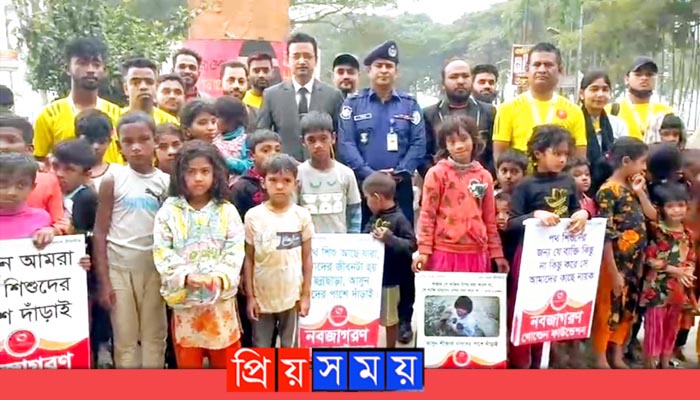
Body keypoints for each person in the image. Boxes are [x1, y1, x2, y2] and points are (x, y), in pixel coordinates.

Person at [337, 40, 426, 345]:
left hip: (399, 191)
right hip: (365, 192)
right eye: (378, 66)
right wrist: (371, 177)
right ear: (369, 71)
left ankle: (403, 318)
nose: (384, 70)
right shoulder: (353, 105)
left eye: (389, 66)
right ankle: (364, 313)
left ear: (396, 72)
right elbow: (346, 144)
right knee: (365, 247)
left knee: (402, 253)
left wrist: (399, 172)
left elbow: (418, 145)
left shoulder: (410, 105)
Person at [153, 140, 245, 368]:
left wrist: (219, 277)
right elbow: (162, 251)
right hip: (186, 302)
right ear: (180, 175)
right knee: (189, 365)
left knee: (227, 367)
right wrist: (187, 276)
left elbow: (234, 250)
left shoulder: (227, 211)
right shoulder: (169, 212)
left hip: (220, 303)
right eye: (191, 172)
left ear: (216, 173)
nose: (198, 178)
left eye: (205, 171)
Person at [506, 125, 589, 369]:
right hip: (530, 256)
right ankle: (521, 362)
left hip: (559, 258)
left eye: (565, 154)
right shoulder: (526, 185)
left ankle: (544, 361)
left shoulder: (568, 181)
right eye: (557, 153)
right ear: (538, 153)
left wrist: (583, 213)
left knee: (552, 308)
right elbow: (511, 222)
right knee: (526, 306)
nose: (562, 159)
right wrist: (535, 215)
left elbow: (574, 209)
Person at [93, 111, 169, 369]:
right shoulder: (112, 180)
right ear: (119, 146)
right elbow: (100, 232)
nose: (136, 147)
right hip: (119, 270)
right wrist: (104, 282)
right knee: (125, 339)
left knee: (154, 336)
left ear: (155, 141)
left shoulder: (166, 183)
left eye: (143, 139)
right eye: (128, 141)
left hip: (155, 270)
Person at [413, 115, 507, 274]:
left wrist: (497, 253)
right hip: (443, 251)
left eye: (463, 139)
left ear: (474, 140)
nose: (459, 146)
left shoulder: (484, 176)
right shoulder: (436, 174)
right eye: (452, 142)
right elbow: (427, 214)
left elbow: (490, 219)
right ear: (445, 145)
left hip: (477, 253)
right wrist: (424, 250)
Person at [52, 138, 113, 368]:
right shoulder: (53, 194)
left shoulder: (87, 198)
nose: (60, 174)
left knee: (88, 325)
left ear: (86, 173)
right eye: (56, 166)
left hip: (85, 274)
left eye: (69, 169)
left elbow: (92, 236)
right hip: (61, 275)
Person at [243, 154, 314, 348]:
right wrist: (250, 298)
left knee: (290, 348)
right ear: (263, 182)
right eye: (273, 180)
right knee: (261, 347)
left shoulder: (301, 216)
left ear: (296, 184)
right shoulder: (253, 217)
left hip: (292, 296)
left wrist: (305, 295)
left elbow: (307, 257)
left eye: (286, 181)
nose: (280, 186)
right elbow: (249, 259)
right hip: (262, 297)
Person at [591, 137, 651, 369]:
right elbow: (606, 233)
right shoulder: (608, 191)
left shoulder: (634, 187)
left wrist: (640, 192)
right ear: (626, 161)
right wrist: (613, 271)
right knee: (608, 308)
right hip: (615, 263)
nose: (644, 167)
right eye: (642, 162)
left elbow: (653, 216)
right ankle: (600, 358)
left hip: (635, 263)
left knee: (628, 308)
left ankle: (616, 355)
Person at [493, 43, 587, 165]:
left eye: (548, 65)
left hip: (560, 177)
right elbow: (500, 158)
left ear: (560, 70)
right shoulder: (507, 109)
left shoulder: (574, 111)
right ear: (527, 70)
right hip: (522, 177)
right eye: (536, 65)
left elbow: (578, 158)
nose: (542, 70)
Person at [229, 129, 282, 348]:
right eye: (266, 150)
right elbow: (236, 233)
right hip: (251, 266)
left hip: (277, 265)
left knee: (274, 324)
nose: (273, 155)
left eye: (277, 150)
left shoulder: (283, 183)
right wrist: (242, 271)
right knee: (252, 326)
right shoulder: (242, 187)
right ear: (252, 155)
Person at [33, 37, 123, 165]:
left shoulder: (118, 114)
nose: (90, 69)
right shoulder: (49, 115)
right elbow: (39, 160)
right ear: (67, 68)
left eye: (96, 64)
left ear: (104, 70)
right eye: (83, 63)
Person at [257, 32, 344, 162]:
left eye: (307, 56)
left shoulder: (333, 95)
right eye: (296, 56)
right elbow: (262, 136)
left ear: (316, 60)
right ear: (287, 60)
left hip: (322, 167)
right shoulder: (271, 95)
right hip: (284, 169)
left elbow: (341, 138)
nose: (302, 61)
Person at [641, 182, 696, 369]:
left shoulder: (687, 234)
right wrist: (676, 270)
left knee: (672, 328)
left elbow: (691, 258)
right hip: (657, 288)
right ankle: (650, 364)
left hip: (678, 289)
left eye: (680, 205)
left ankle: (665, 362)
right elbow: (650, 259)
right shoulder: (658, 231)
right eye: (671, 206)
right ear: (661, 208)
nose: (676, 210)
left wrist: (688, 271)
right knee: (654, 328)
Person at [362, 171, 417, 347]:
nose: (367, 203)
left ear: (377, 197)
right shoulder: (375, 218)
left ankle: (390, 349)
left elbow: (412, 245)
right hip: (377, 277)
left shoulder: (400, 219)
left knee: (390, 318)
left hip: (394, 280)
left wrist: (390, 239)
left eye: (367, 198)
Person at [422, 58, 496, 177]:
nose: (460, 81)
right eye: (454, 77)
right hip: (442, 182)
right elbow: (423, 155)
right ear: (443, 84)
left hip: (481, 182)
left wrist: (483, 177)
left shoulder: (489, 112)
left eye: (465, 76)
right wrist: (440, 179)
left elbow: (494, 153)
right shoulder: (429, 114)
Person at [1, 115, 68, 235]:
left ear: (29, 150)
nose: (2, 146)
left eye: (11, 140)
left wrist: (52, 231)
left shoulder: (47, 181)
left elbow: (60, 222)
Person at [297, 111, 361, 233]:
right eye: (311, 140)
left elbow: (354, 212)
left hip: (339, 242)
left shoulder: (346, 173)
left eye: (323, 139)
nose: (318, 145)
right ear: (303, 142)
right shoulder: (298, 174)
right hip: (309, 242)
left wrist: (352, 239)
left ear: (333, 138)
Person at [579, 70, 629, 195]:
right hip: (580, 188)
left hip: (612, 189)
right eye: (594, 89)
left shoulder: (618, 124)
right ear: (581, 94)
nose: (600, 94)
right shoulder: (575, 121)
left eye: (605, 90)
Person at [605, 57, 673, 141]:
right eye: (638, 74)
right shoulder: (610, 111)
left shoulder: (666, 113)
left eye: (649, 74)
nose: (644, 78)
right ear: (627, 79)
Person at [0, 152, 54, 245]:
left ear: (32, 187)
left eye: (21, 185)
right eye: (2, 184)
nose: (12, 192)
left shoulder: (41, 218)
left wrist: (49, 234)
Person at [120, 58, 179, 125]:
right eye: (136, 83)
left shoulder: (169, 122)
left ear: (156, 87)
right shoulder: (115, 118)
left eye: (149, 82)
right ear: (126, 89)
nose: (143, 87)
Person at [74, 109, 116, 191]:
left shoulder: (119, 174)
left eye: (101, 141)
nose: (96, 146)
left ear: (110, 141)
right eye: (90, 141)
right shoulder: (68, 173)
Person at [213, 96, 252, 177]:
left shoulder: (246, 141)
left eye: (217, 117)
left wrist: (225, 160)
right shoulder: (214, 139)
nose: (214, 121)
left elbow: (249, 165)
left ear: (231, 120)